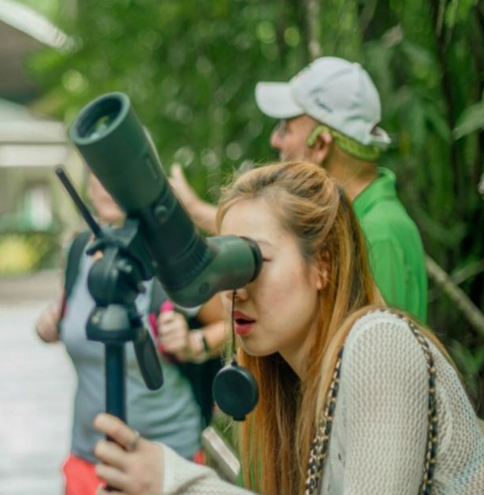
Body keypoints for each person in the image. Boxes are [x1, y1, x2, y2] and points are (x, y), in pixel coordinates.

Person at [90, 162, 484, 494]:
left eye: (252, 261)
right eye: (223, 263)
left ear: (322, 265)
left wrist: (176, 482)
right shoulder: (300, 384)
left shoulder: (380, 344)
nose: (234, 289)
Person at [170, 57, 427, 323]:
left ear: (321, 146)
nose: (275, 140)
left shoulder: (376, 234)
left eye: (286, 128)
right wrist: (193, 210)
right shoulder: (348, 219)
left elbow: (376, 353)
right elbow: (270, 239)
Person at [35, 173, 228, 495]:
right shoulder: (79, 250)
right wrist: (49, 324)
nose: (109, 185)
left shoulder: (170, 256)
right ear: (86, 183)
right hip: (89, 458)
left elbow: (233, 320)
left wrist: (196, 344)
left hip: (168, 463)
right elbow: (66, 315)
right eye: (98, 173)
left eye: (115, 171)